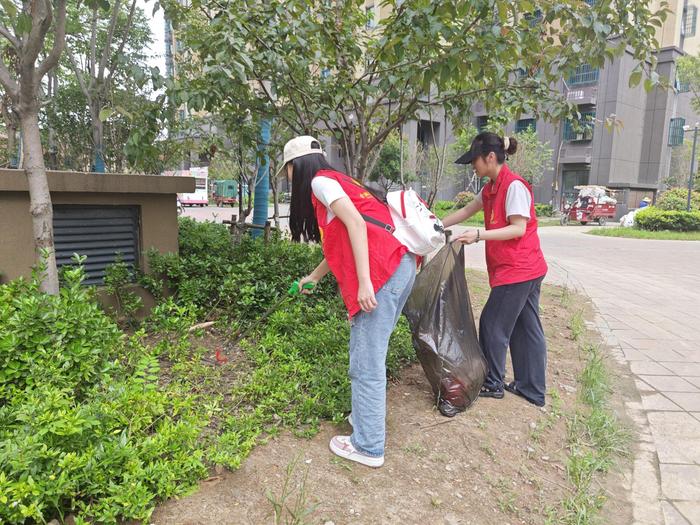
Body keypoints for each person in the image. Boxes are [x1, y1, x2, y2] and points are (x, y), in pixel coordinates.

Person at [284, 135, 416, 467]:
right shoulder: (338, 181)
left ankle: (368, 446)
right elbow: (345, 236)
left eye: (286, 171)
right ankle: (365, 420)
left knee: (366, 362)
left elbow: (357, 224)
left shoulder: (318, 183)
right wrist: (313, 278)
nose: (287, 179)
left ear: (295, 166)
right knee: (369, 351)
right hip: (400, 265)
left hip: (383, 272)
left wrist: (365, 284)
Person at [442, 132, 548, 407]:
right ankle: (531, 388)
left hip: (519, 269)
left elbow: (517, 228)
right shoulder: (491, 187)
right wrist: (434, 224)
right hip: (522, 268)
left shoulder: (514, 186)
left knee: (492, 323)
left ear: (490, 157)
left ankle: (493, 383)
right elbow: (466, 210)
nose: (472, 166)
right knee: (526, 327)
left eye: (474, 160)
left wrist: (478, 235)